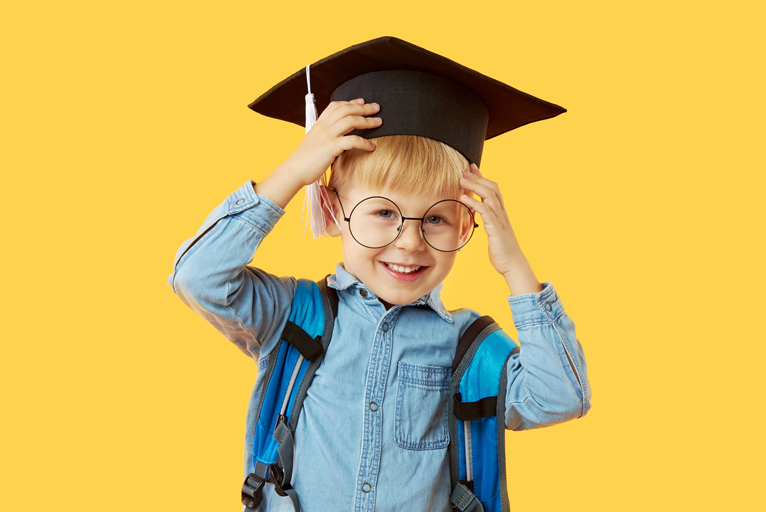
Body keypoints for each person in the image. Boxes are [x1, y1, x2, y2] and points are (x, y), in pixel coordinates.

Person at [168, 37, 591, 512]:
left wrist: (515, 265)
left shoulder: (466, 348)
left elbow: (561, 397)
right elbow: (198, 276)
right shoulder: (293, 317)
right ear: (331, 211)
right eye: (383, 213)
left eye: (436, 218)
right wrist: (292, 172)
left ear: (468, 224)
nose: (410, 242)